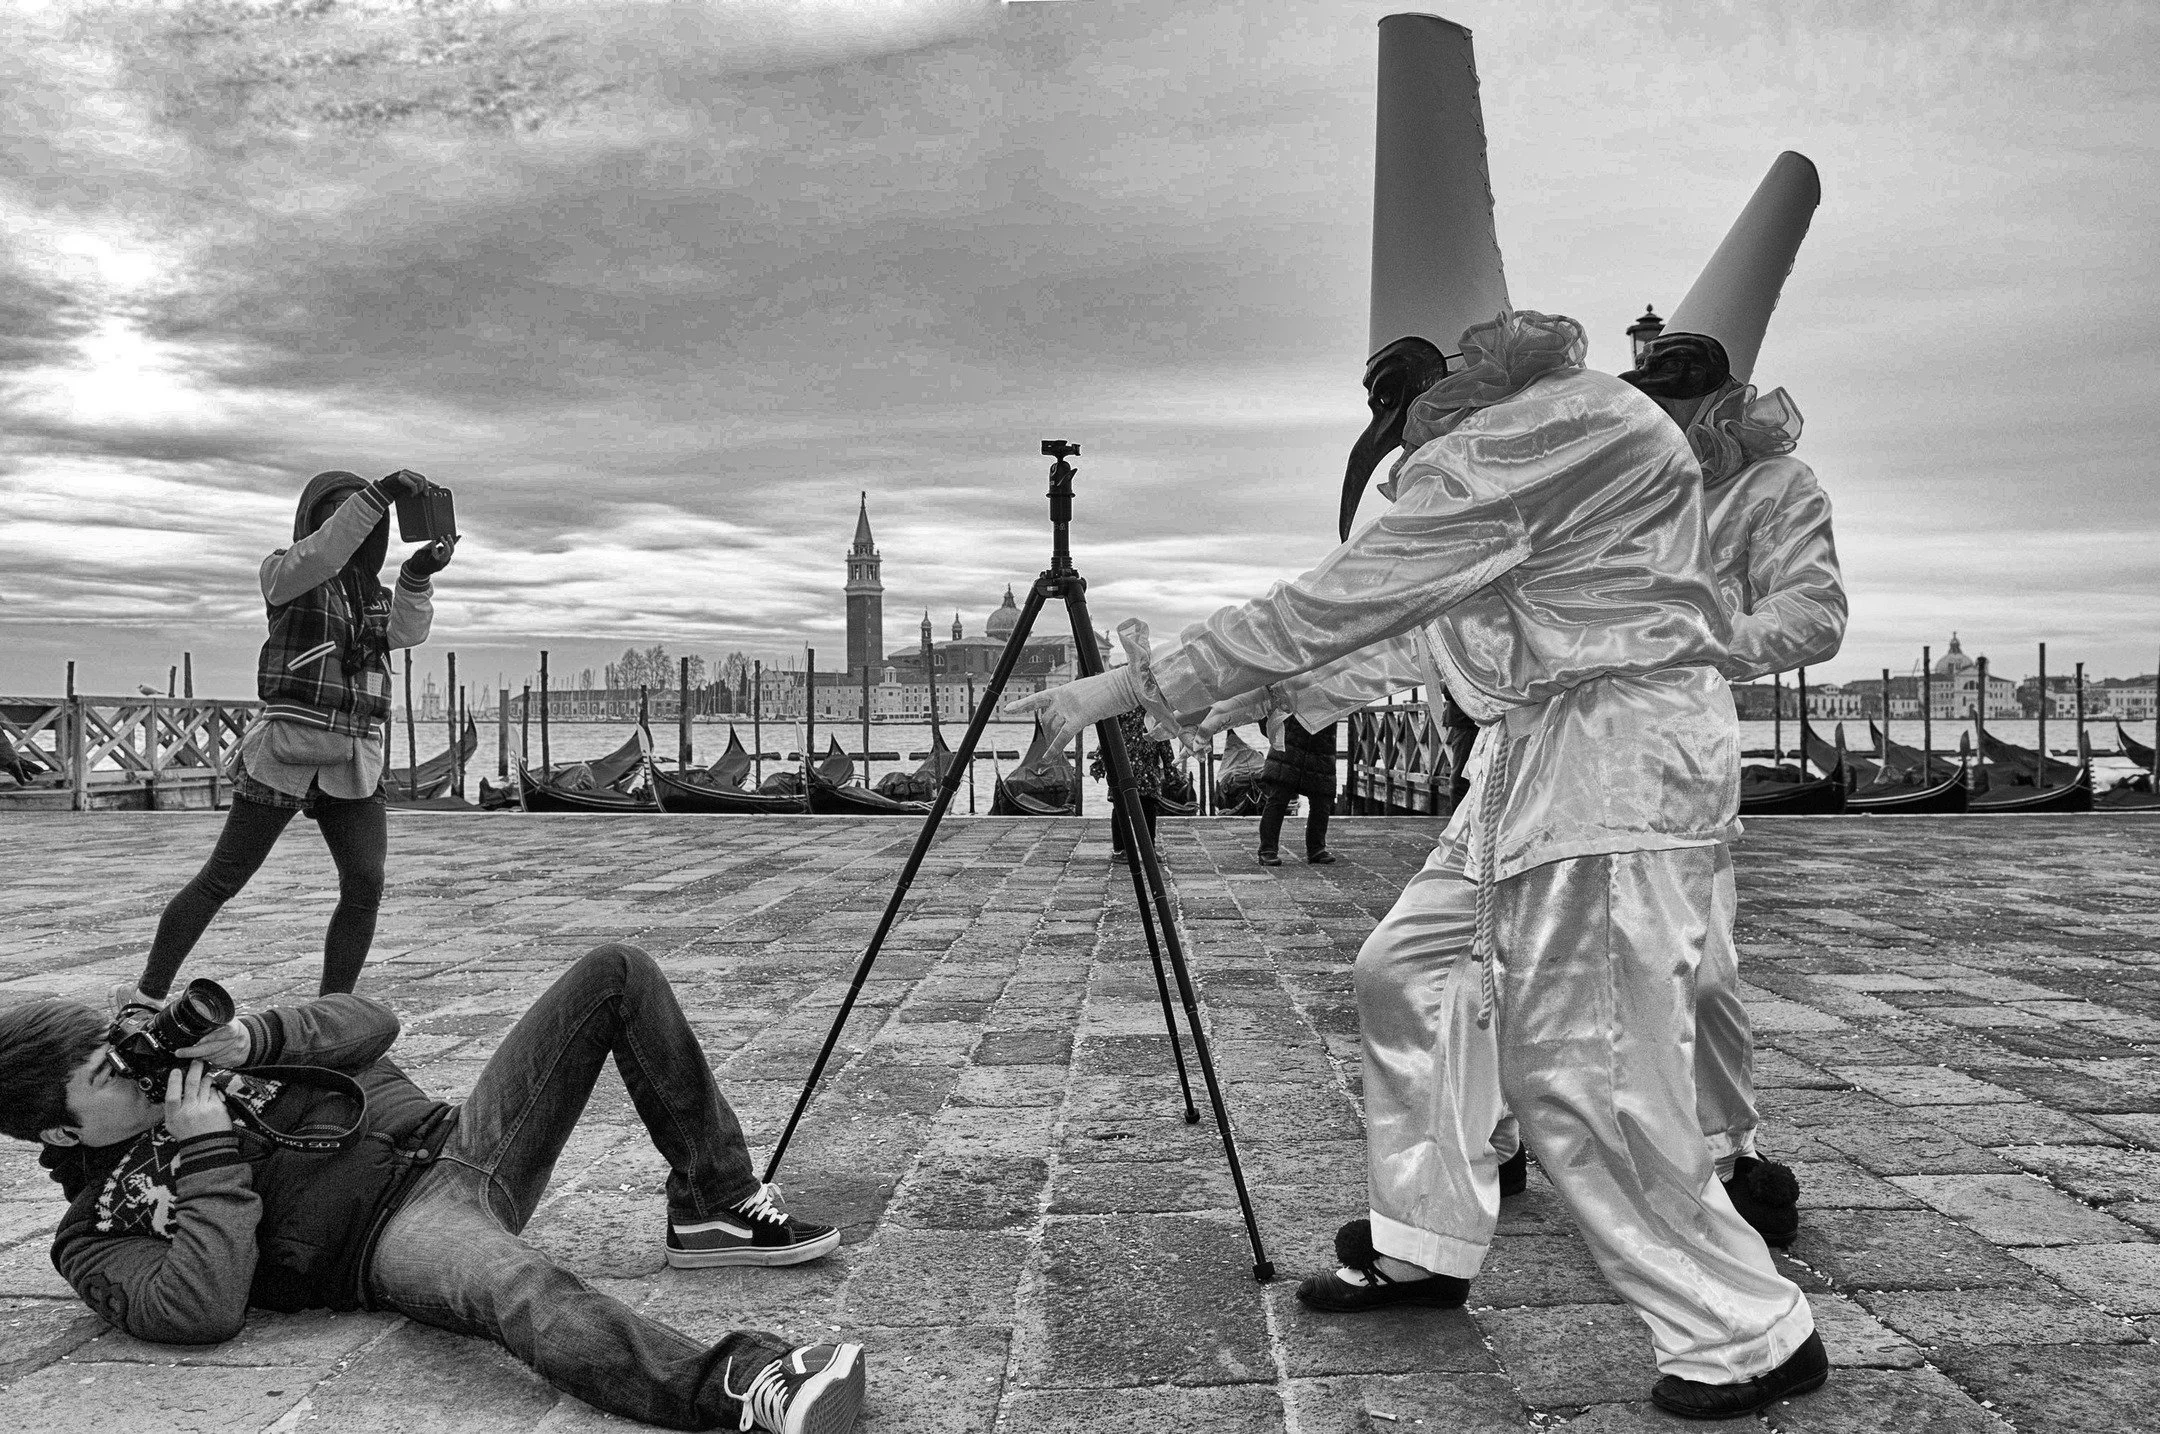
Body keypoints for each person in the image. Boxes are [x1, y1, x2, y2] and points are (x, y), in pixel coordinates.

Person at [1011, 309, 1823, 1420]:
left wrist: (1125, 691)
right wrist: (1218, 697)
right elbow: (1392, 635)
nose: (1408, 472)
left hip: (1616, 765)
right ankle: (1426, 1236)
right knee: (1406, 973)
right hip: (1532, 754)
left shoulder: (1549, 435)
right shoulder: (1528, 469)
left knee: (1588, 1071)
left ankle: (1746, 1329)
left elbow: (1346, 597)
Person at [0, 944, 866, 1434]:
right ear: (61, 1133)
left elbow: (371, 1022)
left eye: (122, 1049)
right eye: (106, 1077)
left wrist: (248, 1041)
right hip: (394, 1234)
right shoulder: (95, 1233)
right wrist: (206, 1156)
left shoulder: (196, 1066)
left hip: (464, 1137)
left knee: (616, 973)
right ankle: (743, 1387)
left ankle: (714, 1203)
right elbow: (199, 1309)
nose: (136, 1075)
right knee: (519, 1289)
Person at [119, 470, 455, 1014]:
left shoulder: (373, 595)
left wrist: (417, 573)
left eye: (367, 517)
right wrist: (382, 491)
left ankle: (333, 1012)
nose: (360, 525)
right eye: (344, 512)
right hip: (286, 752)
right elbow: (323, 554)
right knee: (223, 877)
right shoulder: (285, 573)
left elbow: (406, 633)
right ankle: (145, 995)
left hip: (354, 761)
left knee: (365, 883)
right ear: (314, 520)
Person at [1090, 706, 1171, 863]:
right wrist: (1099, 764)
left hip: (1144, 769)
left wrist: (1170, 769)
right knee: (1122, 810)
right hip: (1124, 767)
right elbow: (1107, 737)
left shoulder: (1154, 712)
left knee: (1145, 810)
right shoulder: (1120, 711)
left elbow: (1163, 741)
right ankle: (1122, 850)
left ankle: (1147, 849)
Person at [1254, 717, 1337, 866]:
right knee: (1278, 798)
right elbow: (1265, 714)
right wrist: (1278, 735)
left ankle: (1317, 849)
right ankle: (1267, 850)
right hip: (1289, 745)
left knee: (1322, 800)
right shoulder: (1286, 693)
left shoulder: (1334, 693)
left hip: (1321, 747)